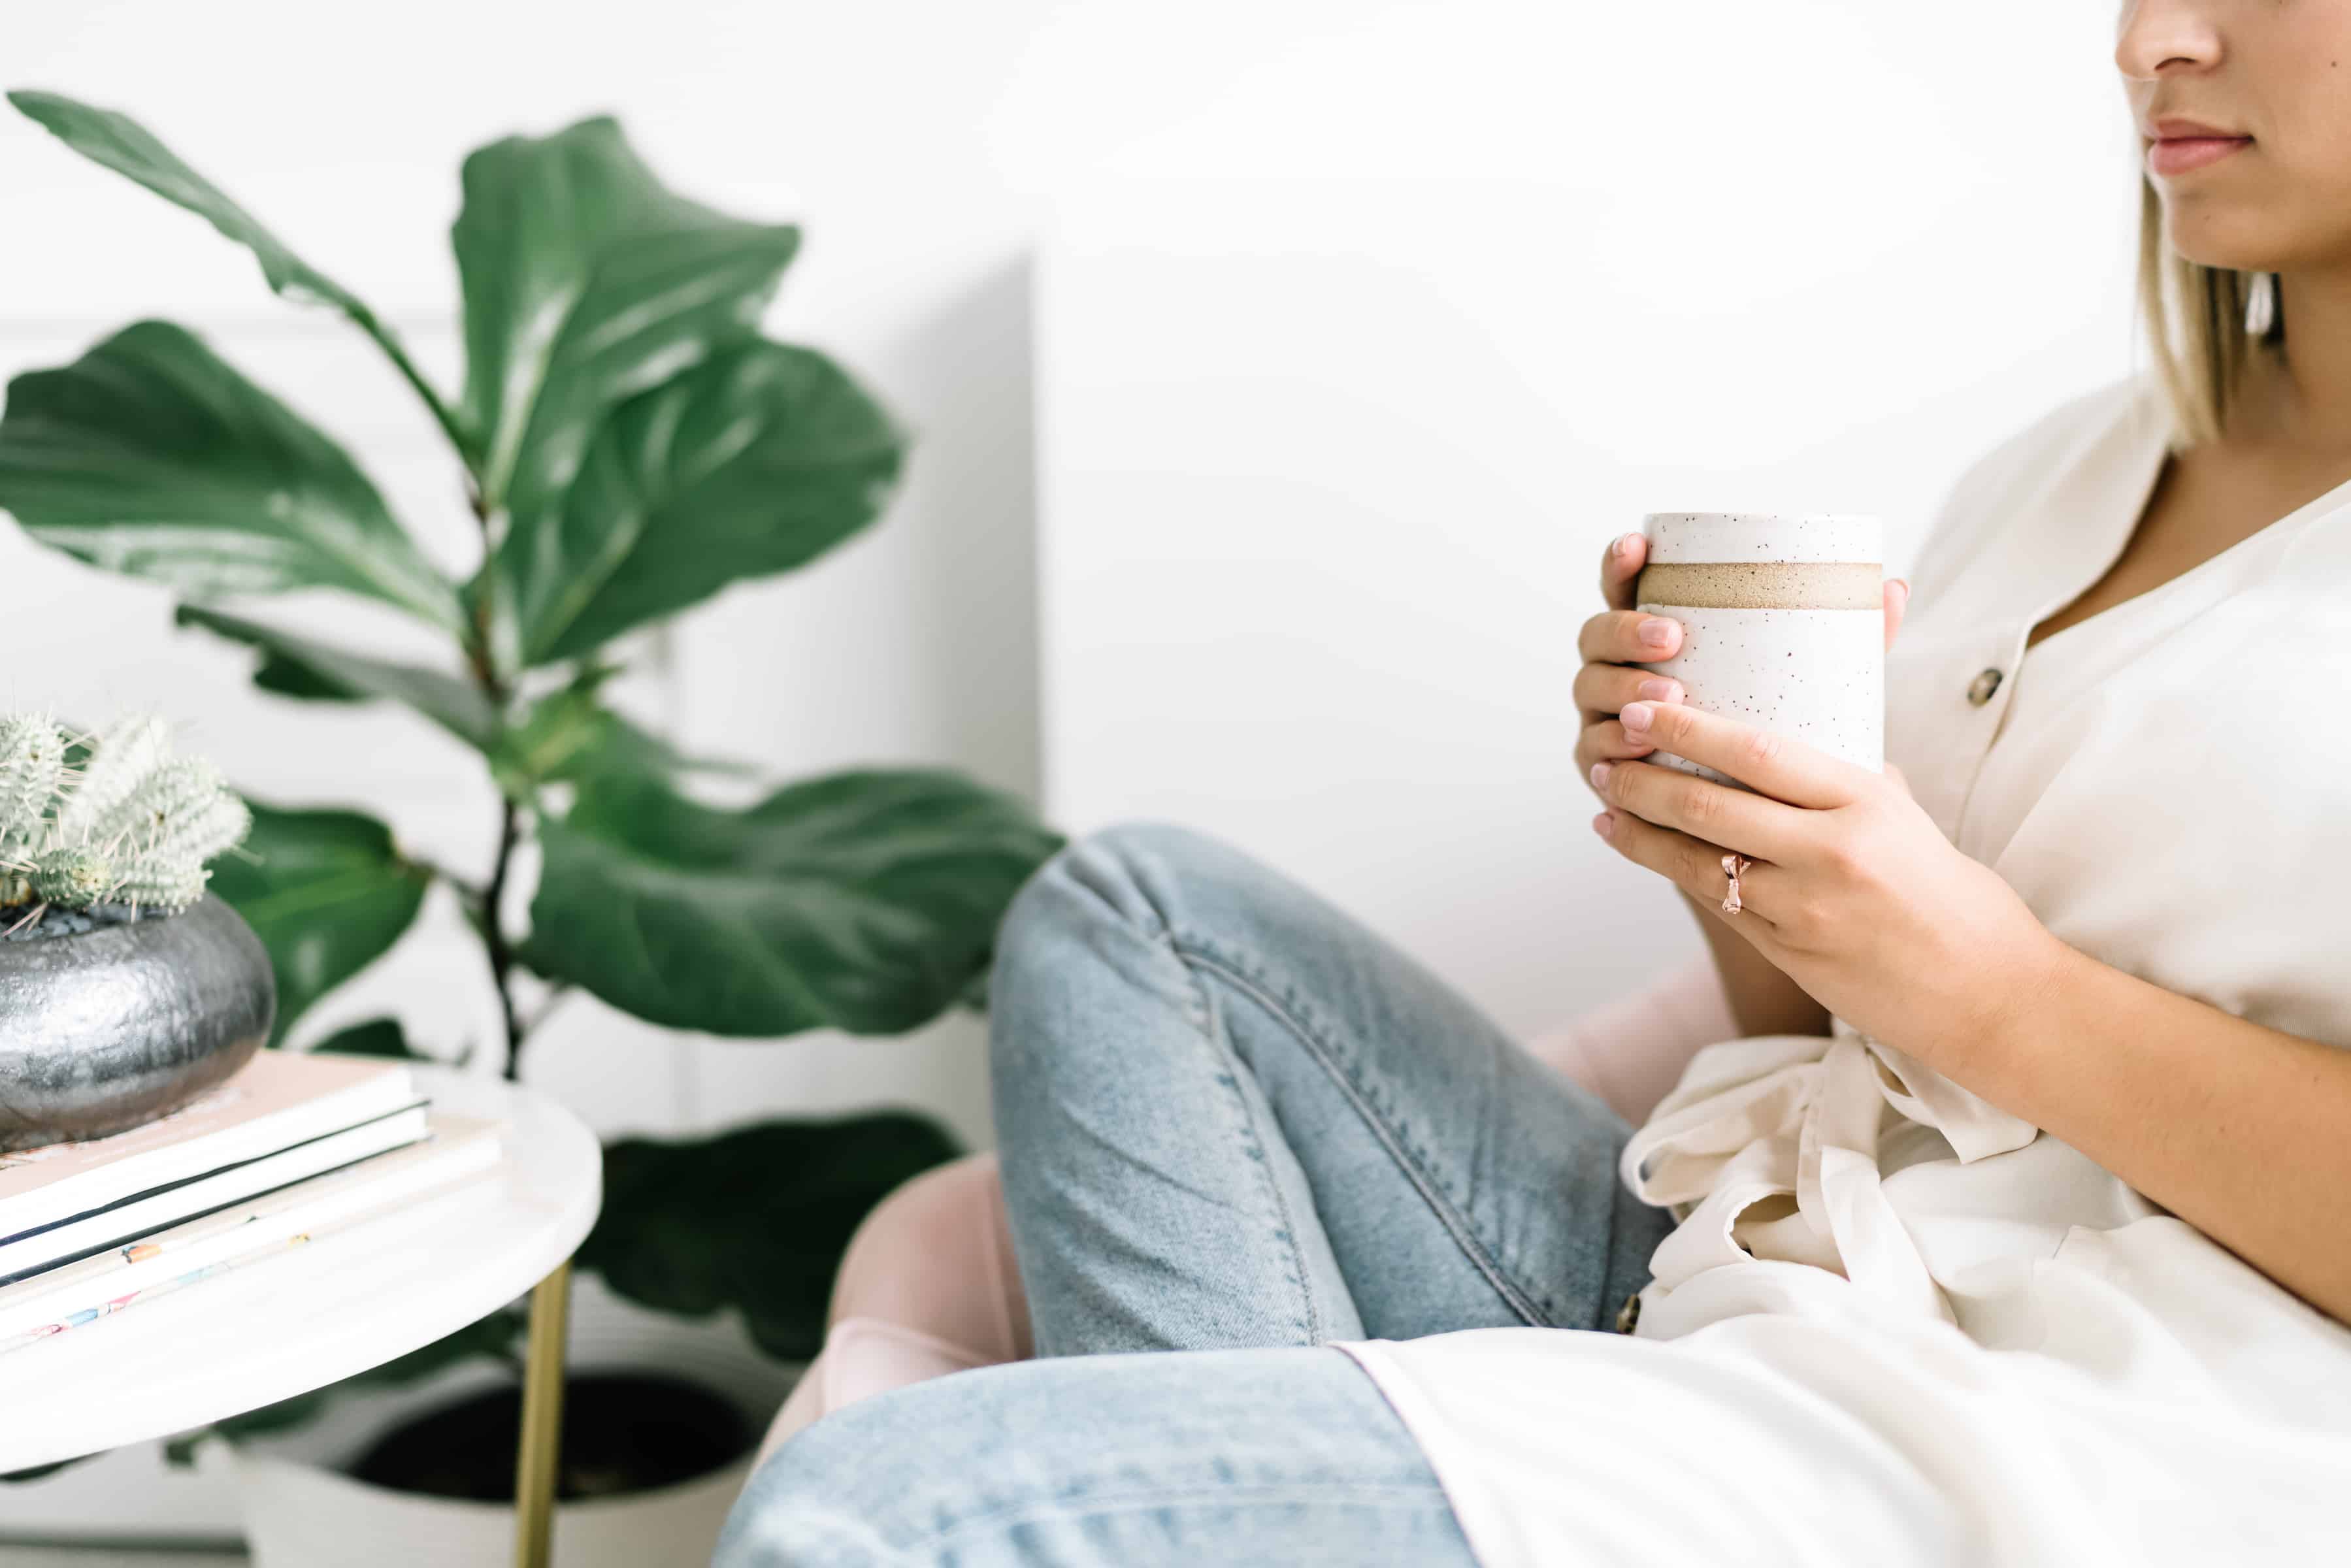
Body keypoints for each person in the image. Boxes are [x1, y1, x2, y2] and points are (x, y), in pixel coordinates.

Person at [716, 5, 2351, 1563]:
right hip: (1742, 1267)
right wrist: (1718, 838)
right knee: (1135, 910)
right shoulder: (2060, 469)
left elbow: (1975, 1004)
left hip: (2058, 1426)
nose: (2148, 39)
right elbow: (1805, 1041)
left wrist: (1983, 985)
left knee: (879, 1512)